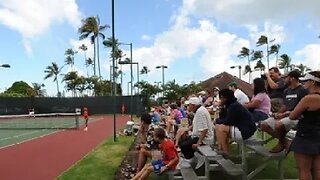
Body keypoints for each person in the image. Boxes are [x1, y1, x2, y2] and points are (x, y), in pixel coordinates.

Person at [260, 71, 308, 153]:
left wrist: (284, 114)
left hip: (297, 117)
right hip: (285, 116)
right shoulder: (286, 91)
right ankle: (285, 142)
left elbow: (303, 109)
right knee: (264, 125)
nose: (283, 79)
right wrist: (278, 113)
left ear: (292, 78)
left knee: (279, 125)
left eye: (286, 77)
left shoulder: (303, 90)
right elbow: (285, 106)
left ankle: (281, 143)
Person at [289, 71, 320, 180]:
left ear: (312, 82)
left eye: (306, 81)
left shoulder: (309, 98)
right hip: (318, 136)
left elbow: (292, 116)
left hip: (306, 136)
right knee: (317, 170)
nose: (303, 84)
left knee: (304, 170)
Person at [215, 89, 256, 156]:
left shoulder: (234, 106)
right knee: (218, 126)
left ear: (224, 98)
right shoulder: (231, 105)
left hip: (246, 132)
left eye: (220, 98)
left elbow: (228, 121)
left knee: (221, 128)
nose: (220, 100)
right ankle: (221, 149)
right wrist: (222, 108)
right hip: (244, 129)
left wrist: (217, 120)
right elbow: (224, 118)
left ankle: (225, 151)